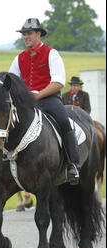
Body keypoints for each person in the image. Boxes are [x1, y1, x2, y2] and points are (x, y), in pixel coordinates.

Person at [9, 18, 80, 185]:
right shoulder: (18, 58)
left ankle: (72, 165)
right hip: (26, 103)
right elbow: (11, 82)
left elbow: (58, 82)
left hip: (49, 99)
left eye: (29, 33)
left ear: (39, 34)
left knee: (63, 121)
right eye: (24, 34)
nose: (26, 37)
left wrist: (37, 95)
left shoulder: (52, 54)